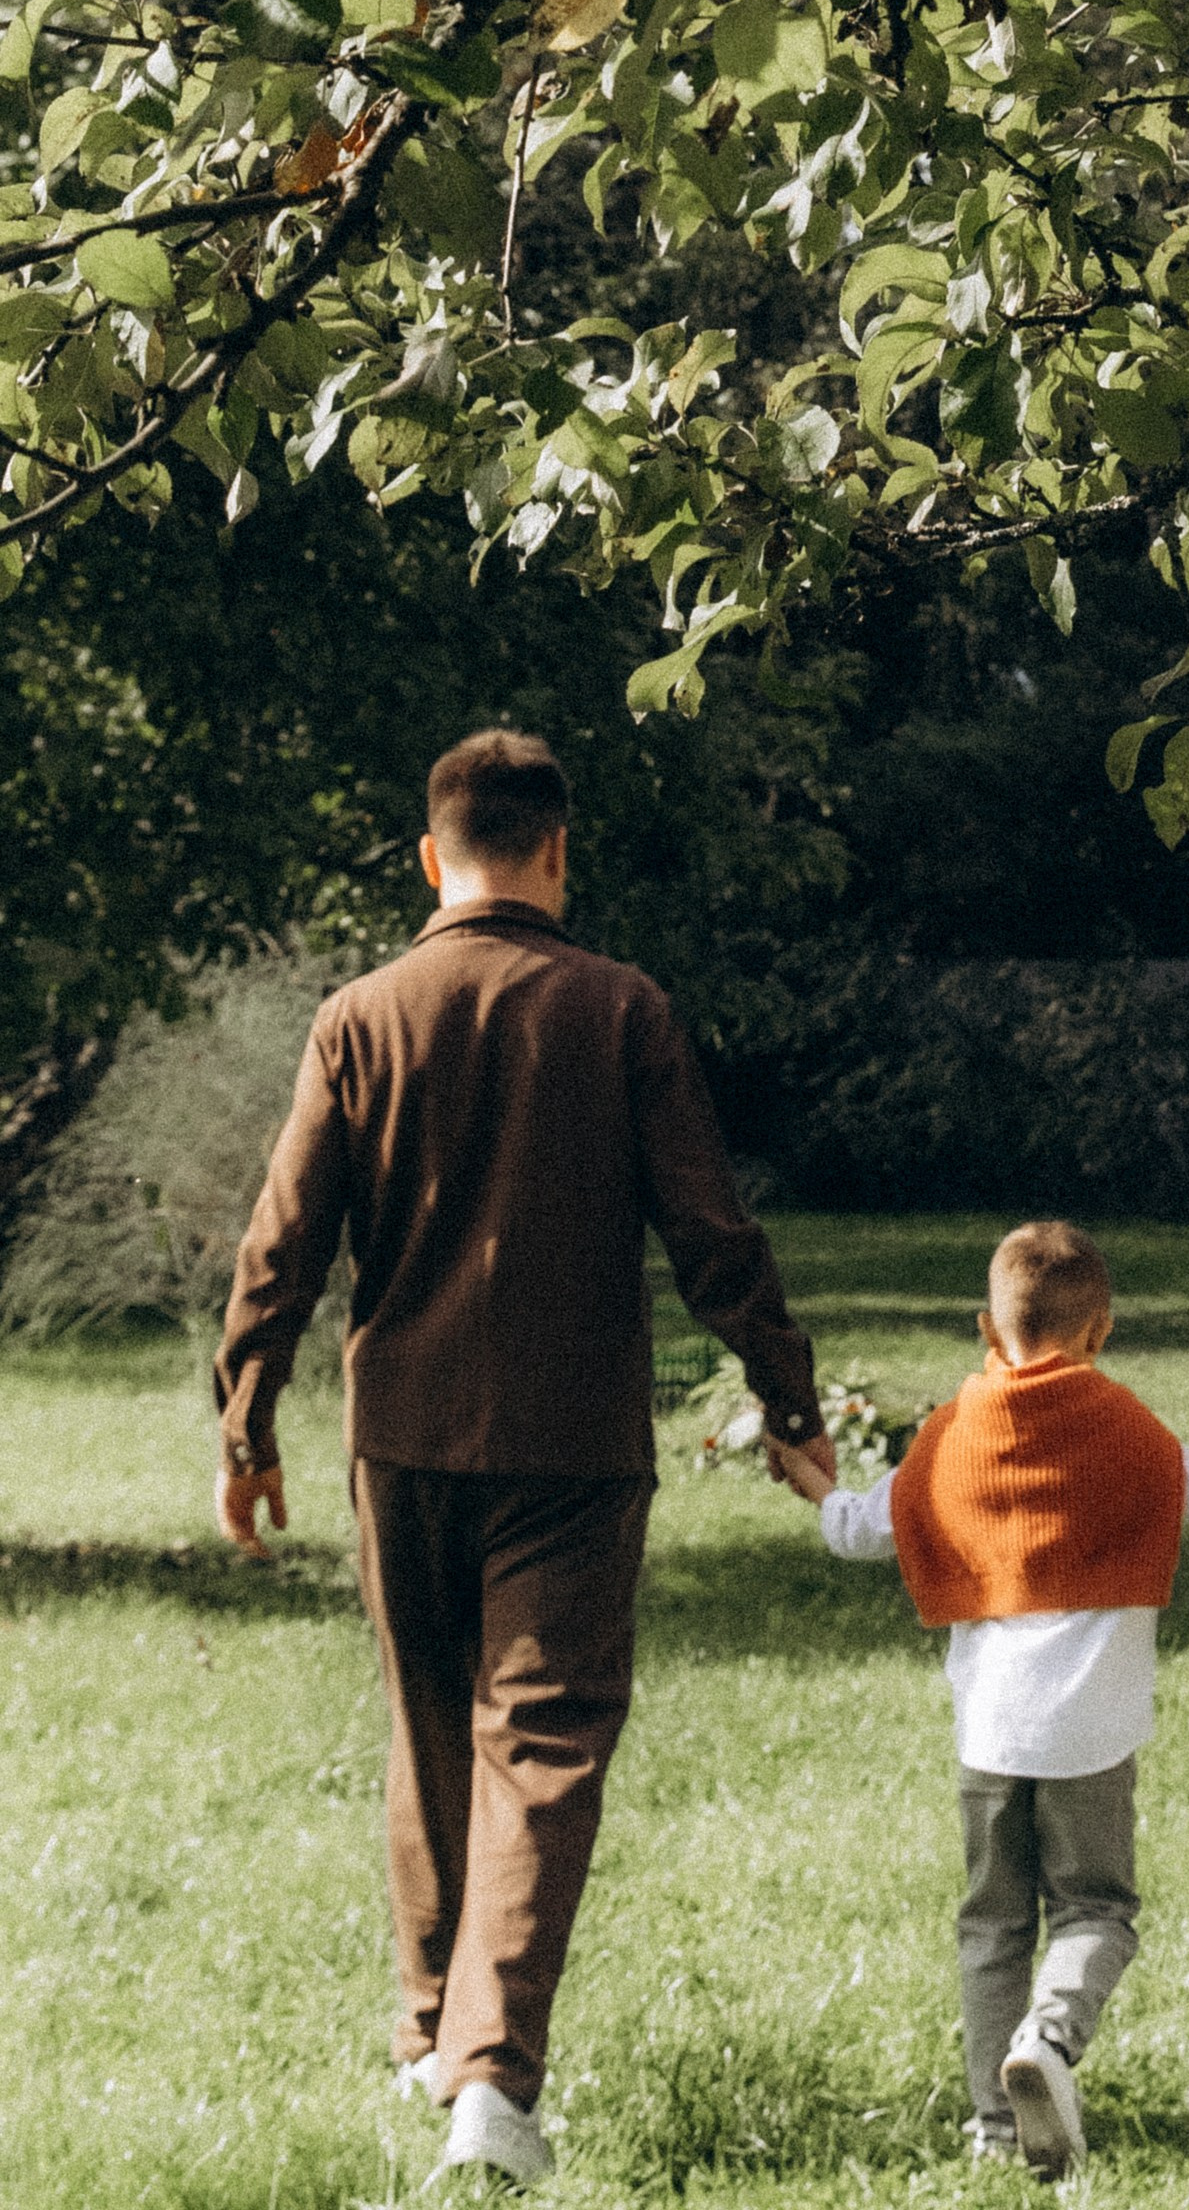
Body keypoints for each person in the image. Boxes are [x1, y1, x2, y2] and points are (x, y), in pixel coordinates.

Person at [213, 728, 835, 2193]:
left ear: (433, 858)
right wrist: (787, 1400)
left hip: (404, 1434)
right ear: (559, 854)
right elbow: (711, 1230)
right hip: (571, 1442)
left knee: (430, 1730)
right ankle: (492, 2082)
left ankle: (439, 2032)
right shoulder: (623, 1010)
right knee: (541, 1749)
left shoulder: (357, 1017)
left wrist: (248, 1420)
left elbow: (281, 1238)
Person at [773, 1219, 1189, 2178]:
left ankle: (991, 2124)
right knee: (1096, 1913)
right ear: (1100, 1330)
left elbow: (860, 1528)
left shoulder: (950, 1436)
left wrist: (814, 1485)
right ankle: (1049, 2044)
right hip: (1092, 1733)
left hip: (989, 1731)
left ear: (988, 1327)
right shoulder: (1132, 1432)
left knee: (991, 1923)